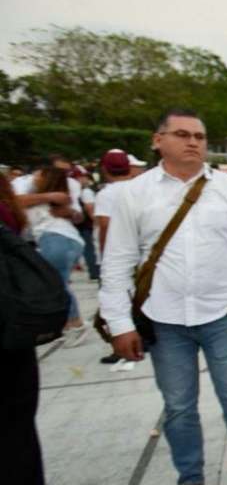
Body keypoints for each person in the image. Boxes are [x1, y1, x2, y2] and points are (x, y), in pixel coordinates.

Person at [100, 109, 227, 485]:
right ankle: (189, 480)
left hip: (221, 316)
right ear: (157, 140)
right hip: (164, 319)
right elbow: (117, 261)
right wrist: (119, 323)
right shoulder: (134, 193)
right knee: (178, 405)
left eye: (200, 135)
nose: (194, 142)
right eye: (182, 134)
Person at [0, 172, 46, 485]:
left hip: (10, 334)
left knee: (16, 425)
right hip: (14, 332)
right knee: (17, 427)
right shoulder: (11, 208)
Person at [23, 166, 89, 346]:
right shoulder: (42, 196)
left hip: (56, 239)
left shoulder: (61, 197)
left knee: (57, 284)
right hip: (59, 240)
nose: (34, 176)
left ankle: (75, 324)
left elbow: (78, 215)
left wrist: (69, 211)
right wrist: (48, 197)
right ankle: (70, 324)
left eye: (39, 174)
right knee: (58, 283)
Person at [94, 150, 137, 364]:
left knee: (114, 301)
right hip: (138, 256)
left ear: (104, 168)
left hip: (116, 255)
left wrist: (105, 257)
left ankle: (119, 347)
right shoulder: (137, 188)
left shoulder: (107, 193)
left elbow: (104, 225)